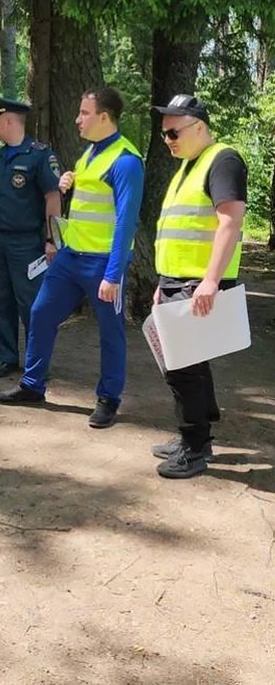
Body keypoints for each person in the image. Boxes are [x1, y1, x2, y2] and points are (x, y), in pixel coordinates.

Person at [0, 87, 144, 429]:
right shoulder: (90, 153)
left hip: (103, 263)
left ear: (104, 117)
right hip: (70, 258)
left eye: (85, 113)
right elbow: (93, 196)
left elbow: (125, 222)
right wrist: (69, 181)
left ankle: (108, 399)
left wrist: (114, 274)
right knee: (41, 313)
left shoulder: (126, 160)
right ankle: (33, 386)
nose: (78, 119)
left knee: (111, 331)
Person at [148, 94, 247, 479]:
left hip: (198, 282)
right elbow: (177, 231)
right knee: (190, 362)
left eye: (173, 132)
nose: (168, 140)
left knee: (181, 367)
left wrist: (210, 280)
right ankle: (197, 436)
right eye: (164, 135)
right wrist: (162, 282)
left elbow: (230, 221)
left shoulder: (222, 160)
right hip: (177, 281)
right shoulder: (189, 166)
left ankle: (194, 447)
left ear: (199, 127)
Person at [0, 97, 61, 377]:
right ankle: (7, 357)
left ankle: (37, 364)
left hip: (27, 243)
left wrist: (51, 239)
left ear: (8, 120)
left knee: (31, 303)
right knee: (1, 301)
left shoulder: (39, 155)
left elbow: (52, 197)